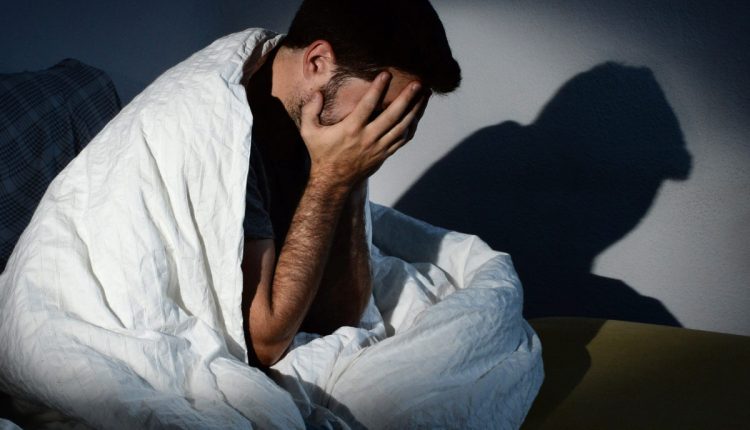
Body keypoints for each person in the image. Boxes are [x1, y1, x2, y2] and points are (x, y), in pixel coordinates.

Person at [238, 0, 461, 367]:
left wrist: (352, 176)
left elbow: (337, 319)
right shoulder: (227, 135)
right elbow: (264, 344)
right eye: (379, 110)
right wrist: (331, 179)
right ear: (317, 62)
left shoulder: (325, 129)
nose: (380, 132)